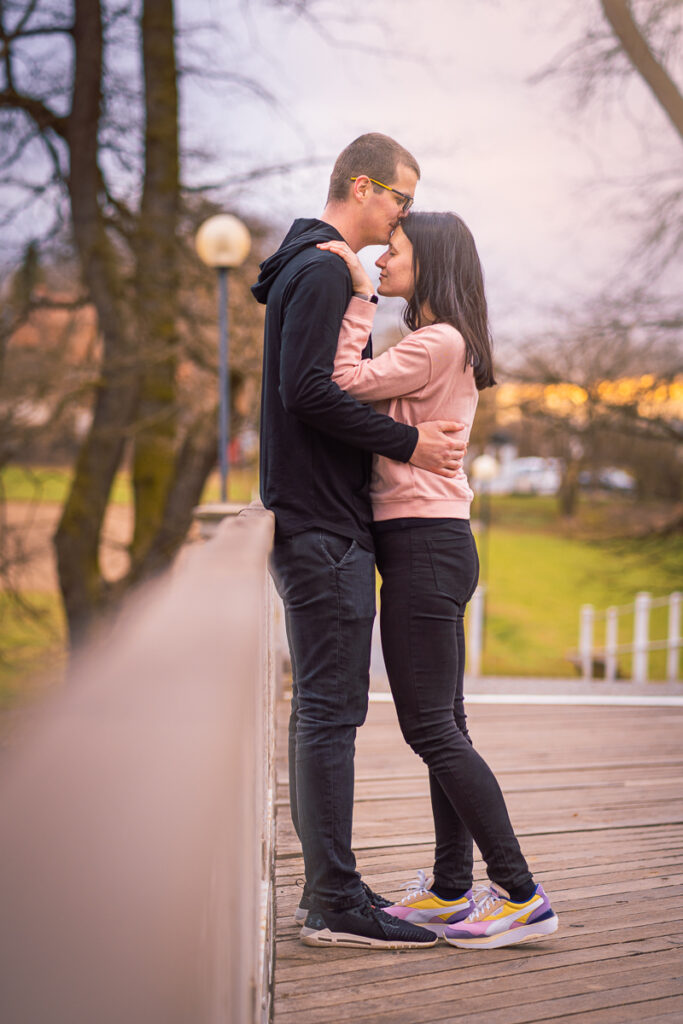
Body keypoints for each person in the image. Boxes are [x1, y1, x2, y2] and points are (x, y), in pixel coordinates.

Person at [318, 211, 559, 950]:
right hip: (432, 545)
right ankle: (453, 886)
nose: (382, 258)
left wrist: (354, 293)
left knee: (429, 727)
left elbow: (337, 382)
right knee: (443, 725)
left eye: (393, 251)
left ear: (432, 261)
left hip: (424, 548)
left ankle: (519, 893)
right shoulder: (439, 341)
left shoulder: (437, 340)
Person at [252, 134, 468, 950]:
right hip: (323, 524)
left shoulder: (318, 270)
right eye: (402, 199)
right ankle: (334, 900)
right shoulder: (320, 268)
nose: (405, 214)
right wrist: (411, 448)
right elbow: (309, 392)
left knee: (325, 713)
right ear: (365, 186)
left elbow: (313, 386)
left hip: (321, 521)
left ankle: (331, 892)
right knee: (329, 715)